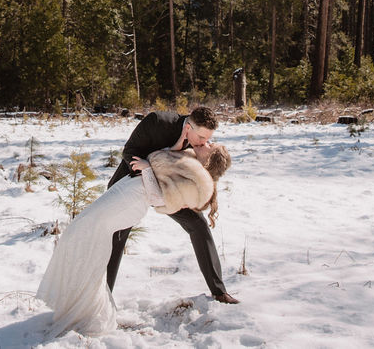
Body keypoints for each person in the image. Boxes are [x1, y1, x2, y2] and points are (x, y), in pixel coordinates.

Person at [37, 140, 231, 337]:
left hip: (132, 199)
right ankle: (80, 302)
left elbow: (159, 200)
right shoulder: (188, 158)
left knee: (84, 234)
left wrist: (146, 169)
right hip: (127, 189)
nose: (207, 141)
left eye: (210, 145)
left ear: (209, 159)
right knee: (81, 235)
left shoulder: (196, 181)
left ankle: (88, 311)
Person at [107, 107, 240, 305]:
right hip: (131, 183)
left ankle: (219, 291)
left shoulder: (197, 145)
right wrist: (149, 169)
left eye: (208, 139)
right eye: (202, 137)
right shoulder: (157, 122)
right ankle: (103, 294)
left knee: (198, 225)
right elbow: (129, 152)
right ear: (189, 126)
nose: (204, 143)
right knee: (117, 236)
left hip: (168, 191)